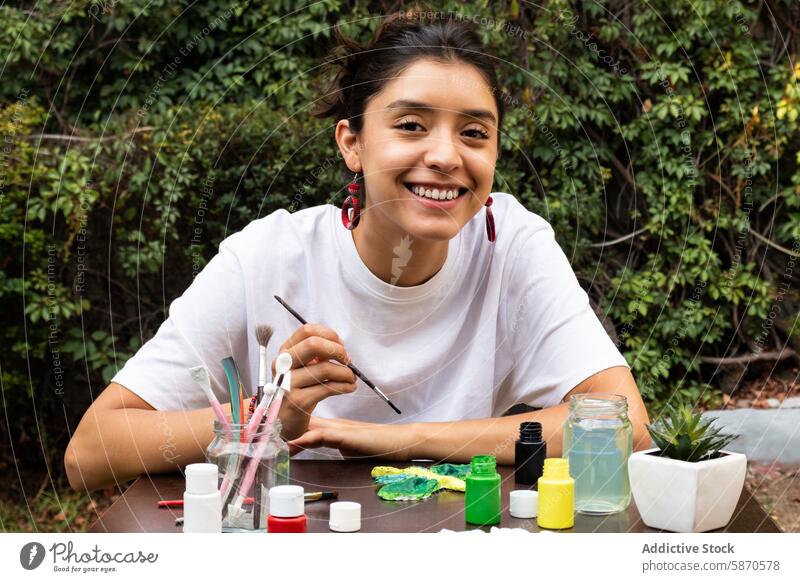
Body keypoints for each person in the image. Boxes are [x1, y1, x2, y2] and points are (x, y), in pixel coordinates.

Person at [65, 12, 650, 493]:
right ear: (353, 142)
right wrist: (271, 415)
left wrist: (388, 438)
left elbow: (626, 427)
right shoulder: (267, 258)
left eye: (474, 132)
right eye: (413, 125)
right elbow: (91, 452)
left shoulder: (513, 242)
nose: (447, 155)